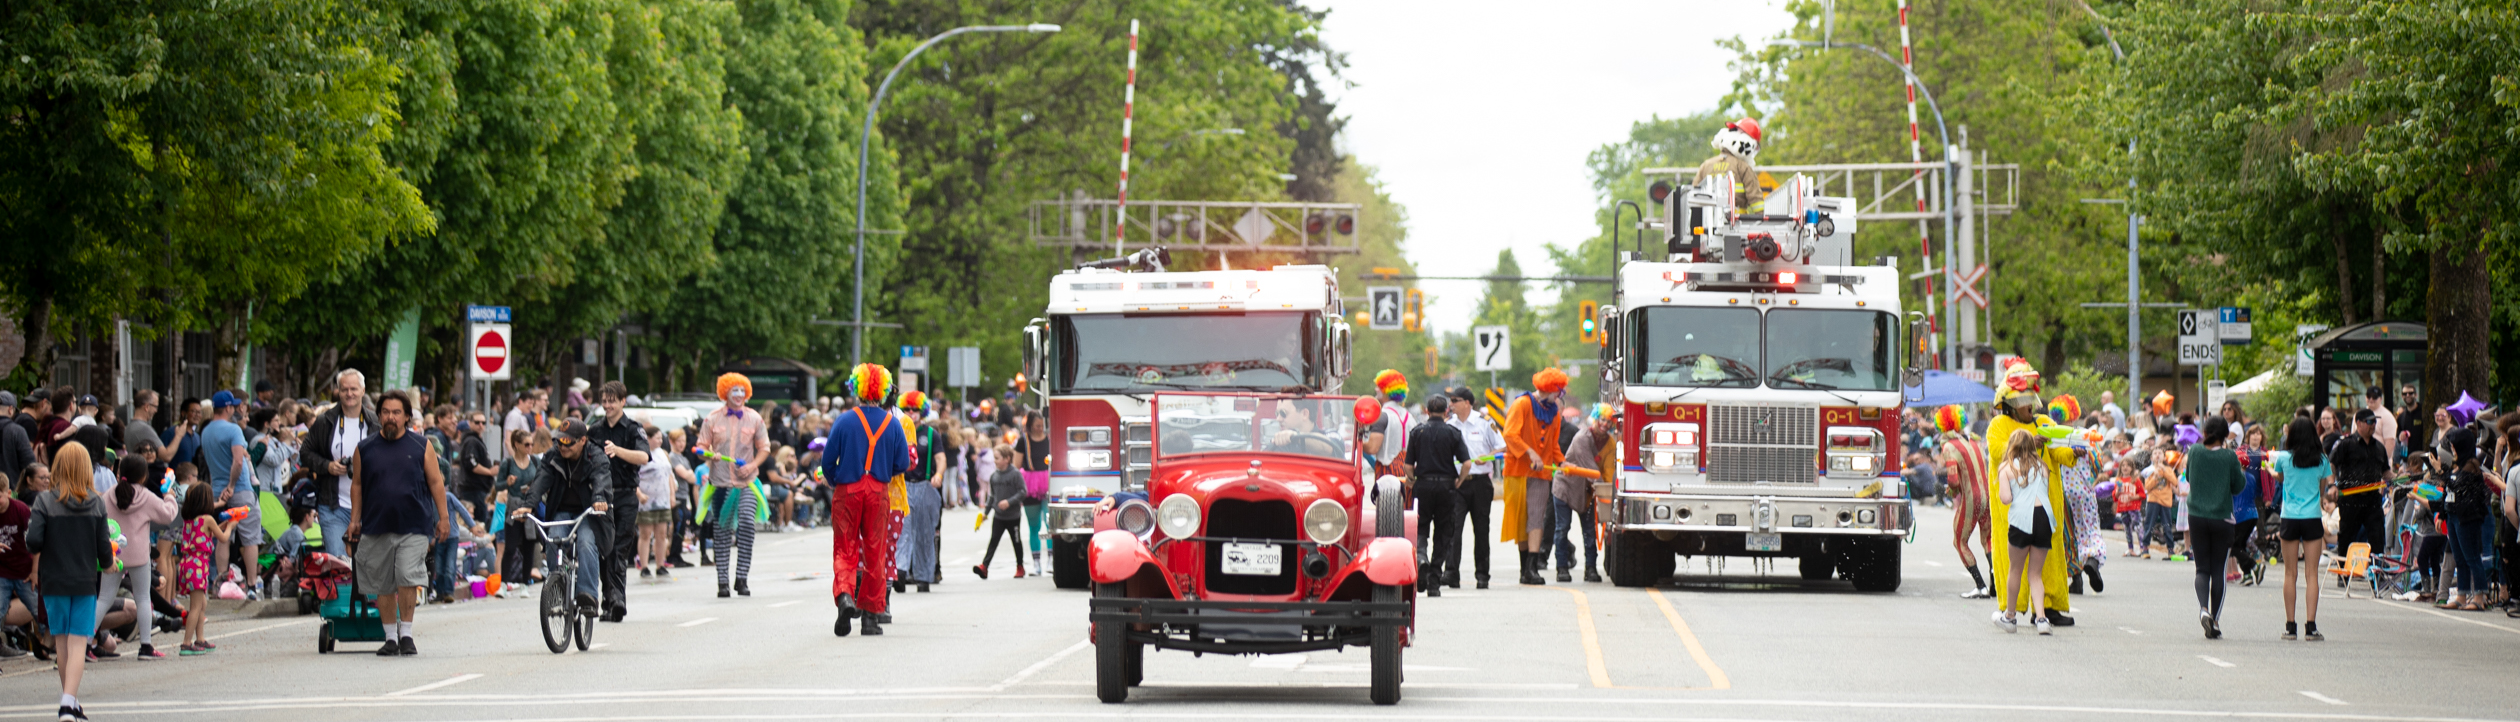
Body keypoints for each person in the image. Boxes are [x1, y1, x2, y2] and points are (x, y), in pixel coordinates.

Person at [347, 390, 452, 657]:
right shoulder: (365, 448)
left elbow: (436, 482)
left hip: (414, 525)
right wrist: (354, 520)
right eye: (385, 412)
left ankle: (406, 634)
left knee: (407, 576)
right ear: (379, 415)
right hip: (376, 524)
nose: (390, 417)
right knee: (383, 584)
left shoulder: (421, 446)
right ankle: (390, 637)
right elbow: (356, 485)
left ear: (407, 416)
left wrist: (444, 518)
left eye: (396, 412)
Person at [1984, 360, 2076, 626]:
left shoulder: (2045, 422)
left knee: (2048, 560)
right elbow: (1999, 453)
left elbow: (2059, 450)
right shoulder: (1998, 426)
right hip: (2012, 511)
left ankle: (2047, 610)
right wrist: (2028, 445)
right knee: (2014, 563)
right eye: (2023, 399)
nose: (2030, 405)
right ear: (2010, 403)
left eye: (2030, 398)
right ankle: (2011, 610)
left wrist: (2074, 452)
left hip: (2045, 507)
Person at [821, 364, 910, 637]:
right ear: (882, 391)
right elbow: (903, 463)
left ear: (856, 388)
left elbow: (827, 461)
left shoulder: (844, 420)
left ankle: (846, 596)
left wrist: (839, 478)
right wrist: (881, 472)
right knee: (875, 553)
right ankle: (871, 618)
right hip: (878, 492)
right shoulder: (893, 423)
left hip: (848, 489)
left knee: (845, 549)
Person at [29, 441, 114, 720]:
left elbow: (33, 542)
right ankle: (69, 703)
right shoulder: (96, 502)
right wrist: (109, 563)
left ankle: (70, 701)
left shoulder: (43, 501)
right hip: (84, 581)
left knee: (62, 643)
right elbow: (104, 549)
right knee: (79, 642)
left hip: (53, 580)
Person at [695, 374, 770, 598]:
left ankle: (742, 578)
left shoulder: (755, 418)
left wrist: (753, 465)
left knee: (747, 523)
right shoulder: (712, 419)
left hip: (746, 483)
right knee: (722, 531)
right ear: (725, 392)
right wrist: (709, 455)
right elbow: (700, 448)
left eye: (741, 391)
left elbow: (764, 447)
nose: (738, 395)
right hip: (720, 483)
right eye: (733, 390)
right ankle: (723, 583)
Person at [101, 455, 176, 659]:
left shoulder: (109, 494)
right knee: (143, 598)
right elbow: (168, 515)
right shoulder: (146, 496)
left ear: (120, 473)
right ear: (144, 476)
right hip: (139, 555)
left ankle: (83, 643)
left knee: (104, 599)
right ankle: (145, 647)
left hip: (113, 553)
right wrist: (169, 495)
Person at [586, 382, 650, 622]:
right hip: (601, 496)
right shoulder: (595, 430)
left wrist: (617, 450)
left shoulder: (633, 429)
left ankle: (617, 599)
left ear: (623, 401)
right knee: (605, 550)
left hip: (625, 495)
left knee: (619, 549)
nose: (608, 405)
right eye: (604, 400)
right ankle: (608, 600)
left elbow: (643, 457)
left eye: (612, 400)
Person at [1502, 368, 1569, 586]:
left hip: (1541, 473)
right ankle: (1524, 569)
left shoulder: (1555, 413)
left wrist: (1562, 462)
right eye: (1559, 391)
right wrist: (1530, 452)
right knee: (1522, 519)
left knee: (1536, 518)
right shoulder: (1522, 404)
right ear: (1550, 389)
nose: (1561, 395)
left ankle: (1532, 567)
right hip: (1517, 471)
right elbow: (1510, 434)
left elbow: (1553, 445)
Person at [299, 370, 375, 559]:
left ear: (363, 390)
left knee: (369, 566)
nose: (349, 394)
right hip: (333, 505)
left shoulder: (375, 422)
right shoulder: (325, 421)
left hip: (369, 506)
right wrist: (327, 466)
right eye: (344, 389)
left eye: (353, 389)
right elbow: (305, 453)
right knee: (339, 563)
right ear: (338, 392)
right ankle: (343, 590)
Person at [2269, 417, 2333, 640]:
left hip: (2289, 517)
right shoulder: (2322, 459)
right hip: (2312, 516)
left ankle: (2289, 626)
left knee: (2290, 573)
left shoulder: (2284, 458)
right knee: (2312, 573)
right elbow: (2322, 488)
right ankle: (2311, 626)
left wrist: (2273, 472)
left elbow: (2282, 479)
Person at [198, 390, 265, 600]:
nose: (235, 409)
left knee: (222, 538)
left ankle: (220, 582)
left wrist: (224, 487)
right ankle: (252, 585)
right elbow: (238, 461)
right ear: (228, 408)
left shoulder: (206, 431)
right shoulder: (234, 430)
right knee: (250, 538)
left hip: (216, 492)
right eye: (233, 406)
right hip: (240, 489)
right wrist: (232, 484)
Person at [2183, 417, 2246, 638]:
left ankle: (2203, 609)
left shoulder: (2195, 452)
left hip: (2197, 516)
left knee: (2201, 569)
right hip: (2221, 518)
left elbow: (2189, 477)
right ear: (2225, 434)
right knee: (2218, 570)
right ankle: (2216, 621)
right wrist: (2242, 470)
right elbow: (2238, 487)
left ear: (2207, 431)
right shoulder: (2229, 457)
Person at [1993, 429, 2055, 635]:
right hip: (2043, 518)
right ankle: (2042, 619)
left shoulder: (2006, 468)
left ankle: (2010, 617)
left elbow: (2005, 498)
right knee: (2035, 574)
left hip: (2021, 520)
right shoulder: (2042, 467)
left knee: (2015, 570)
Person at [1404, 397, 1468, 596]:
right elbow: (1466, 463)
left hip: (1423, 485)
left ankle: (1421, 557)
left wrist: (1412, 479)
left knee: (1421, 526)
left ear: (1426, 410)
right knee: (1444, 532)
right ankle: (1434, 582)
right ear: (1446, 411)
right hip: (1446, 486)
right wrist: (1459, 481)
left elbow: (1407, 466)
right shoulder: (1453, 433)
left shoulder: (1417, 432)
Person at [1934, 406, 1995, 598]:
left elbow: (1952, 479)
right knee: (1988, 540)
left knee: (1960, 542)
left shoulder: (1949, 446)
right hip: (1986, 496)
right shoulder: (1973, 442)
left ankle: (1981, 586)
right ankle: (1996, 584)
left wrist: (1953, 490)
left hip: (1972, 498)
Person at [1445, 389, 1502, 589]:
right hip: (1458, 483)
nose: (1451, 404)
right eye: (1450, 401)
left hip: (1480, 483)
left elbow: (1501, 447)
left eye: (1455, 401)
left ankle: (1482, 575)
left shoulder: (1485, 422)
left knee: (1481, 530)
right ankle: (1451, 573)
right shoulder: (1449, 424)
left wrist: (1488, 456)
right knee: (1453, 528)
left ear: (1467, 403)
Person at [172, 482, 237, 654]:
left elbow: (210, 531)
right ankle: (186, 643)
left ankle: (200, 639)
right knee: (196, 606)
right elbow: (222, 537)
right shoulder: (207, 519)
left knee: (202, 603)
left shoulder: (190, 520)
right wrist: (230, 526)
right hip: (198, 565)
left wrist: (224, 524)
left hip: (188, 563)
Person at [1552, 404, 1613, 583]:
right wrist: (1602, 486)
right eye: (1602, 419)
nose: (1605, 424)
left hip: (1587, 491)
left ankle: (1591, 569)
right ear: (1595, 418)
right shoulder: (1582, 438)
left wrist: (1607, 492)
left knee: (1589, 531)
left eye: (1609, 421)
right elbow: (1590, 468)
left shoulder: (1610, 443)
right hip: (1566, 488)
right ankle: (1562, 568)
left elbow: (1608, 469)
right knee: (1562, 528)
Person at [2441, 427, 2497, 611]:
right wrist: (2442, 513)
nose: (2453, 450)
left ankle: (2480, 596)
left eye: (2455, 446)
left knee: (2472, 557)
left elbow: (2457, 487)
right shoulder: (2457, 466)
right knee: (2459, 558)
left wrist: (2441, 473)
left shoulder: (2472, 466)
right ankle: (2462, 595)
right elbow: (2448, 490)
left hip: (2468, 517)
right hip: (2453, 514)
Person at [894, 391, 945, 593]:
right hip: (902, 486)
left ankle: (924, 576)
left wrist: (939, 475)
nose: (911, 413)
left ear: (922, 411)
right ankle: (900, 572)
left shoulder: (931, 434)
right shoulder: (897, 431)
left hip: (925, 485)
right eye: (907, 409)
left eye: (915, 409)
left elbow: (940, 458)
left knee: (924, 533)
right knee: (901, 530)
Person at [493, 429, 541, 595]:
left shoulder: (535, 461)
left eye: (531, 444)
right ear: (516, 445)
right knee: (510, 546)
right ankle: (504, 584)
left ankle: (524, 584)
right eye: (526, 444)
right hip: (513, 508)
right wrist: (507, 482)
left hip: (529, 507)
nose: (530, 447)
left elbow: (542, 481)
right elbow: (497, 486)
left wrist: (533, 488)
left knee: (528, 547)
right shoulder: (508, 463)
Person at [0, 463, 37, 660]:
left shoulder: (22, 510)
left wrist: (35, 571)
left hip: (24, 570)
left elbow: (36, 542)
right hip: (3, 572)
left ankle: (51, 643)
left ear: (9, 493)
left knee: (38, 607)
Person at [974, 445, 1027, 579]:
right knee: (994, 541)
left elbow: (1022, 492)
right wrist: (985, 513)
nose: (995, 461)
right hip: (999, 516)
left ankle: (1020, 566)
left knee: (1016, 541)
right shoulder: (994, 476)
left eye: (997, 458)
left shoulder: (1015, 474)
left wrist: (1009, 502)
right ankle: (984, 567)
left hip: (1013, 516)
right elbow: (992, 496)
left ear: (1007, 459)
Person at [1694, 116, 1765, 210]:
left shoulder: (1706, 165)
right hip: (1738, 221)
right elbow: (1756, 200)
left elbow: (1694, 194)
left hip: (1707, 221)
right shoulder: (1743, 167)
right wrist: (1761, 220)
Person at [636, 428, 676, 580]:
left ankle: (661, 564)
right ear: (649, 438)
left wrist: (672, 494)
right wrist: (639, 494)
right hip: (647, 499)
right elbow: (633, 476)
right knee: (645, 533)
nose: (660, 441)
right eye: (657, 438)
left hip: (663, 498)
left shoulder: (663, 454)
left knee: (662, 533)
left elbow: (669, 475)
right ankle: (644, 565)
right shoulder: (642, 453)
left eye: (661, 438)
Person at [1014, 411, 1051, 573]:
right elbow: (1016, 464)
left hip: (1048, 483)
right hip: (1030, 483)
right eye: (1037, 426)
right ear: (1030, 426)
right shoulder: (1023, 441)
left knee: (1050, 523)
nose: (1040, 429)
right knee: (1034, 525)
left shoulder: (1050, 438)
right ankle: (1036, 563)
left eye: (1042, 426)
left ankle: (1051, 559)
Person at [1367, 370, 1413, 477]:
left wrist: (1357, 442)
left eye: (1379, 386)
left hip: (1387, 472)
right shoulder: (1409, 416)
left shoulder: (1382, 416)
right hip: (1407, 472)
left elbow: (1372, 448)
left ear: (1386, 391)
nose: (1375, 389)